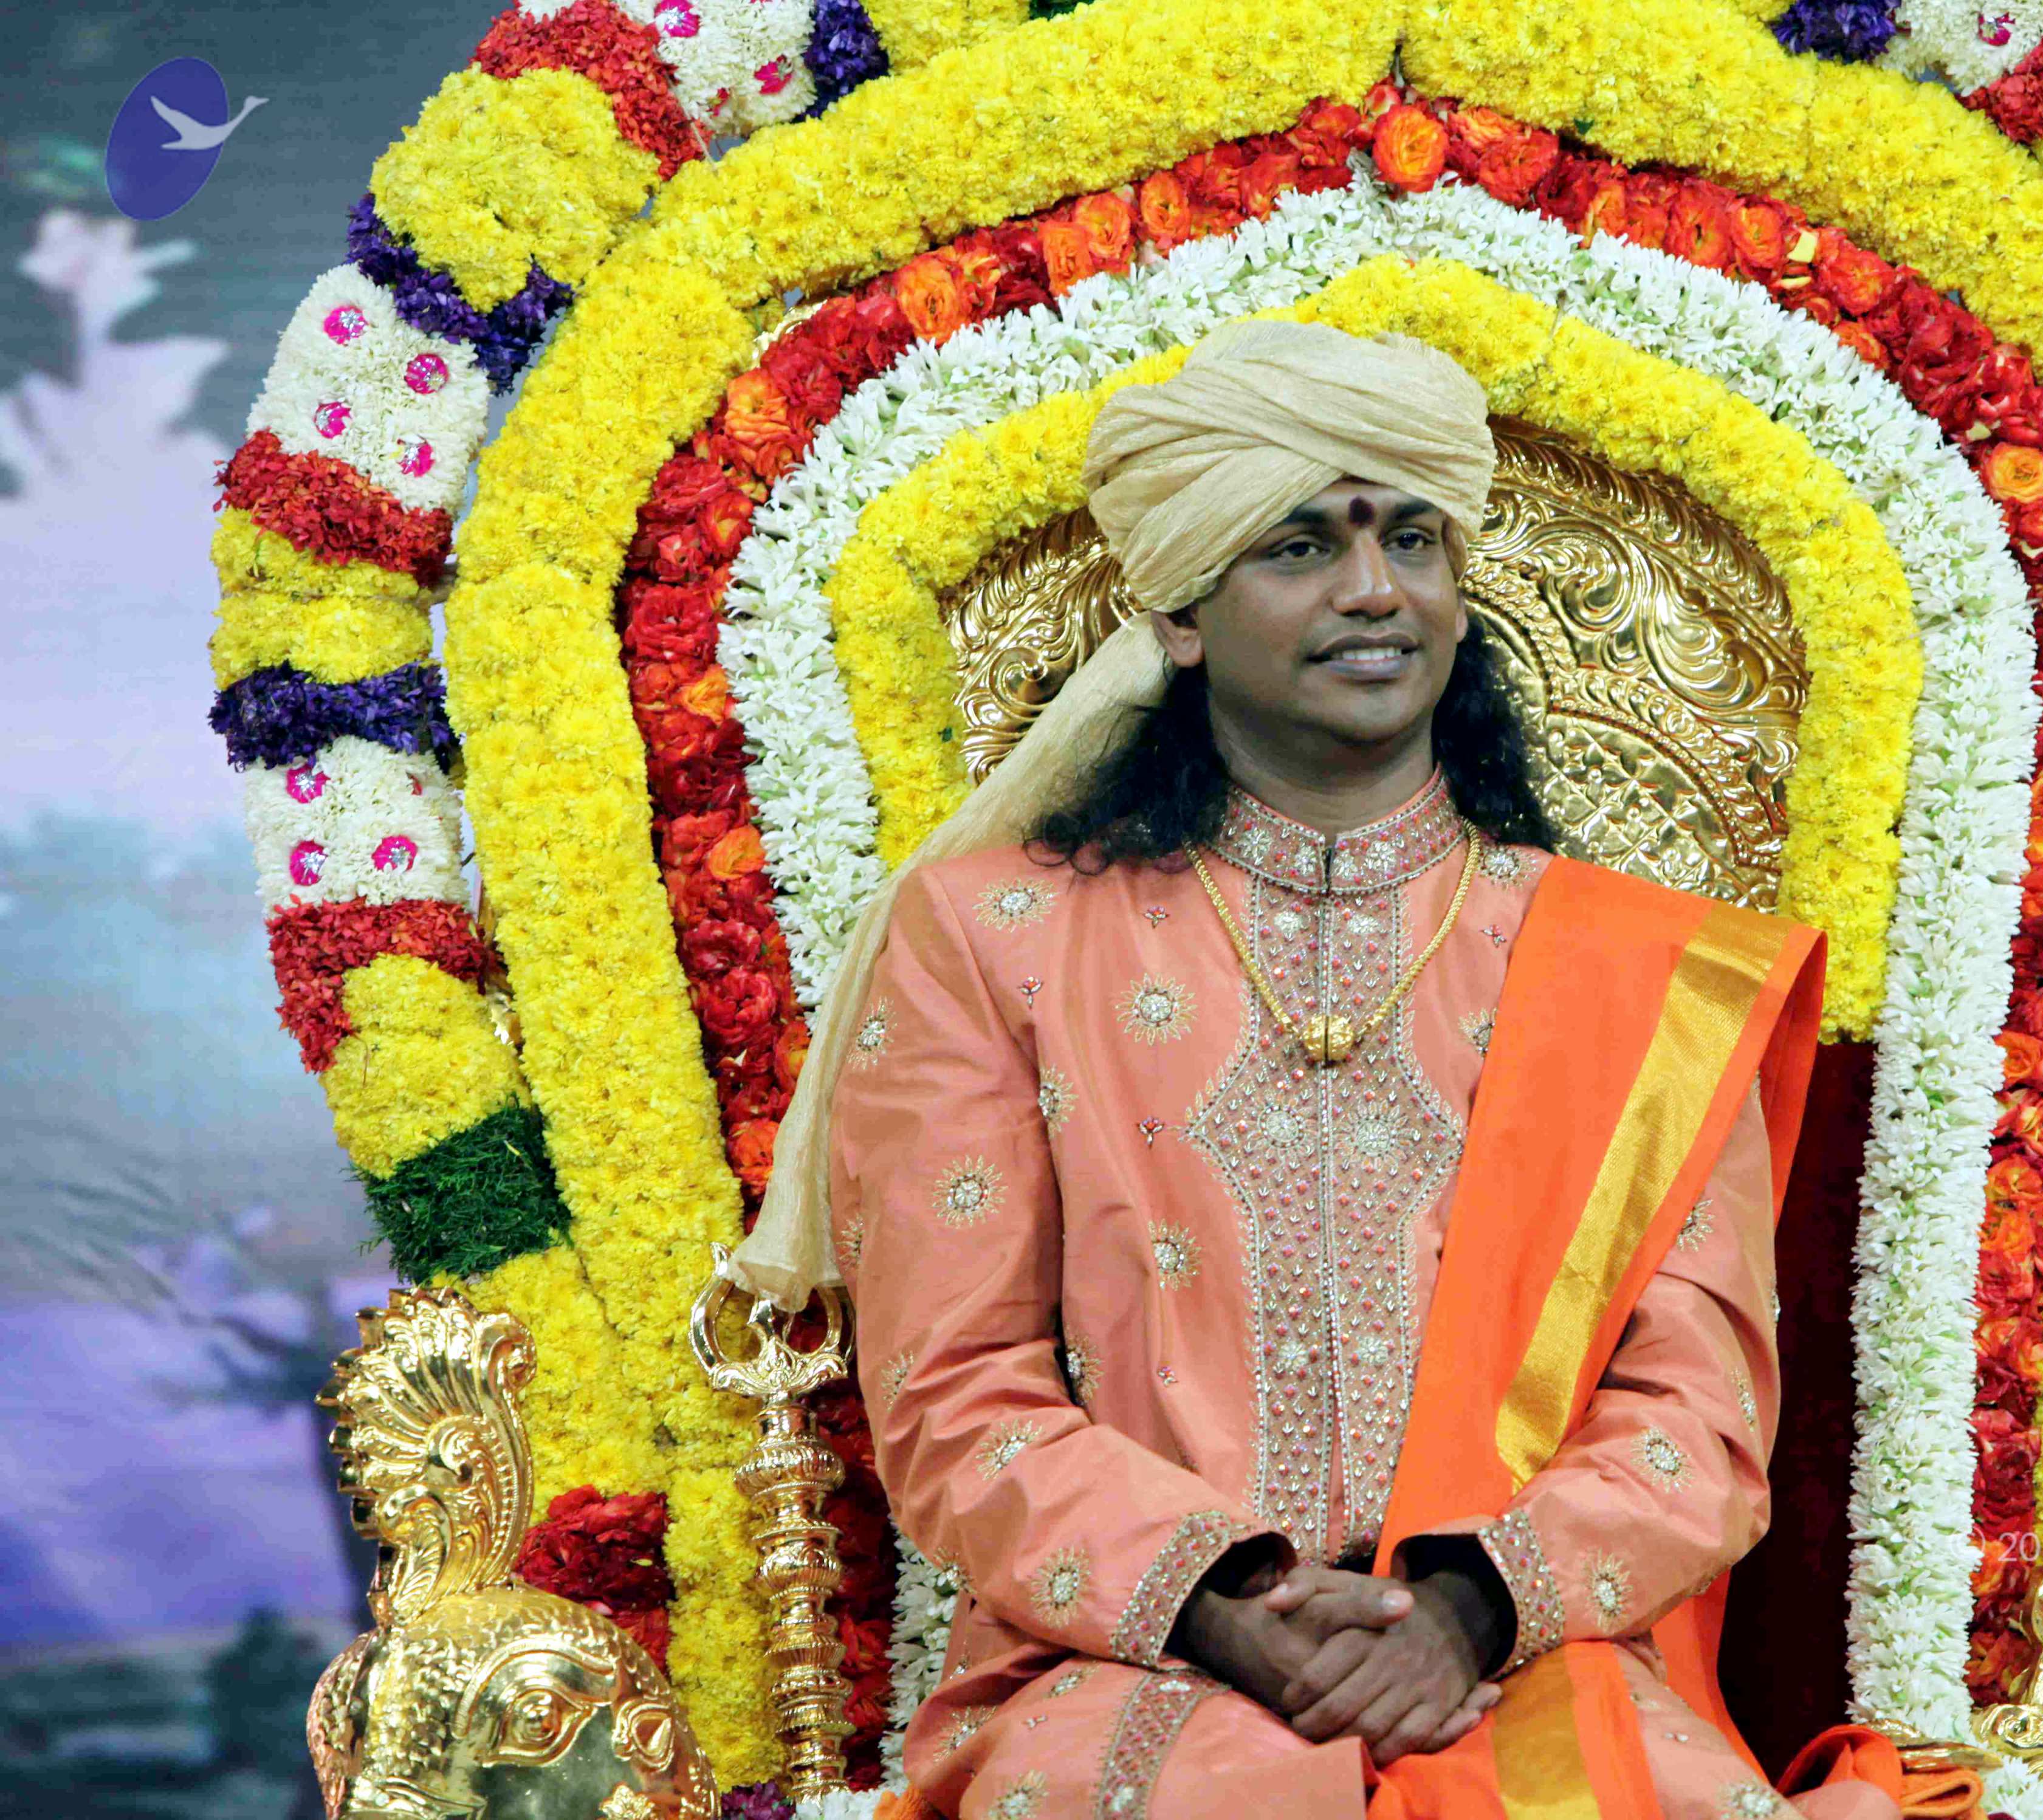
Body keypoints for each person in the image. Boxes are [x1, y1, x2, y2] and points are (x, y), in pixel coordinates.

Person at [729, 321, 1950, 1820]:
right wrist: (1226, 1605)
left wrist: (1467, 1609)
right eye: (1302, 544)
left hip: (1527, 1653)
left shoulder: (1633, 970)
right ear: (1179, 613)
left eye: (1412, 539)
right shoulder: (995, 938)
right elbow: (954, 1396)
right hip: (1123, 1654)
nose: (1376, 589)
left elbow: (1697, 1417)